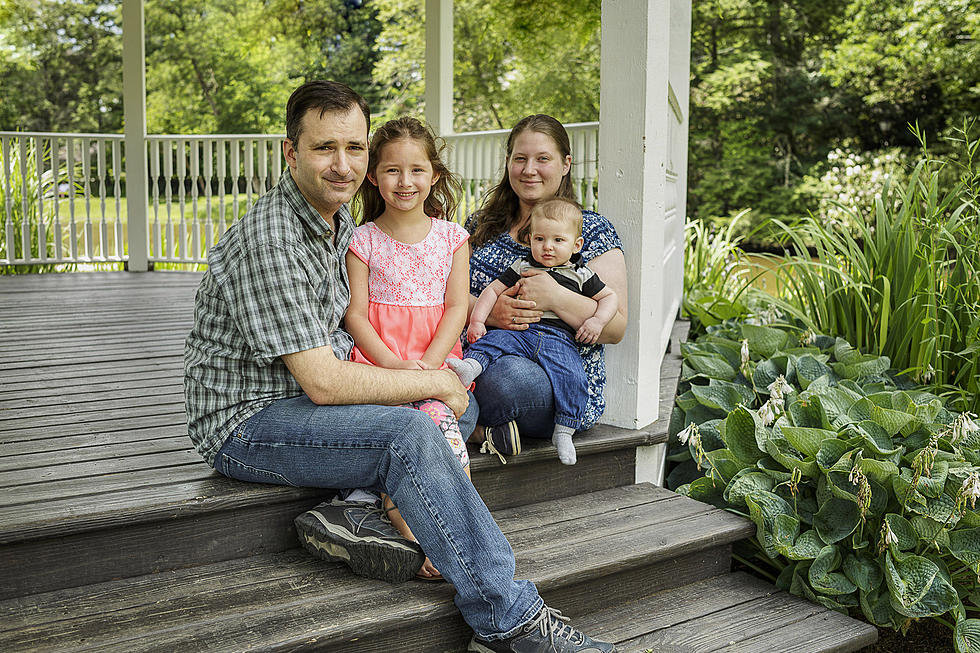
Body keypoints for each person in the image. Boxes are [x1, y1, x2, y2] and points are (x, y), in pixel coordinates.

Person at [183, 81, 616, 653]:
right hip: (250, 421)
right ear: (291, 154)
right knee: (411, 433)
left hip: (307, 403)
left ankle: (352, 518)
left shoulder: (333, 224)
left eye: (355, 148)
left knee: (432, 417)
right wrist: (433, 380)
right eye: (324, 148)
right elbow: (325, 380)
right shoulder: (274, 238)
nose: (342, 165)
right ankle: (510, 622)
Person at [345, 116, 470, 580]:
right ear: (374, 177)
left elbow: (457, 307)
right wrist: (397, 367)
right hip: (382, 361)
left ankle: (449, 529)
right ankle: (410, 531)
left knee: (438, 422)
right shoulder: (363, 240)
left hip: (434, 360)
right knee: (405, 426)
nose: (405, 181)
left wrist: (431, 367)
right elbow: (355, 315)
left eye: (417, 170)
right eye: (393, 171)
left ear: (433, 175)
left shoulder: (452, 238)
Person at [466, 114, 628, 462]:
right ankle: (482, 429)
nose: (529, 169)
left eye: (543, 159)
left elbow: (615, 328)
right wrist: (489, 312)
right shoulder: (478, 227)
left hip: (552, 375)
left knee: (507, 378)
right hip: (483, 346)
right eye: (520, 158)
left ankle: (467, 421)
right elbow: (443, 297)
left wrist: (557, 297)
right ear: (508, 162)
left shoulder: (594, 230)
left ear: (566, 163)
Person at [450, 197, 617, 465]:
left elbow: (609, 299)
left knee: (572, 375)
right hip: (520, 332)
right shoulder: (523, 266)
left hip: (558, 339)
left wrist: (596, 321)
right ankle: (471, 367)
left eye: (558, 241)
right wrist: (479, 320)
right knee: (493, 342)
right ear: (530, 240)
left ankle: (564, 430)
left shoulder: (581, 274)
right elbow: (493, 290)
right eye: (540, 239)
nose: (547, 247)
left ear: (576, 245)